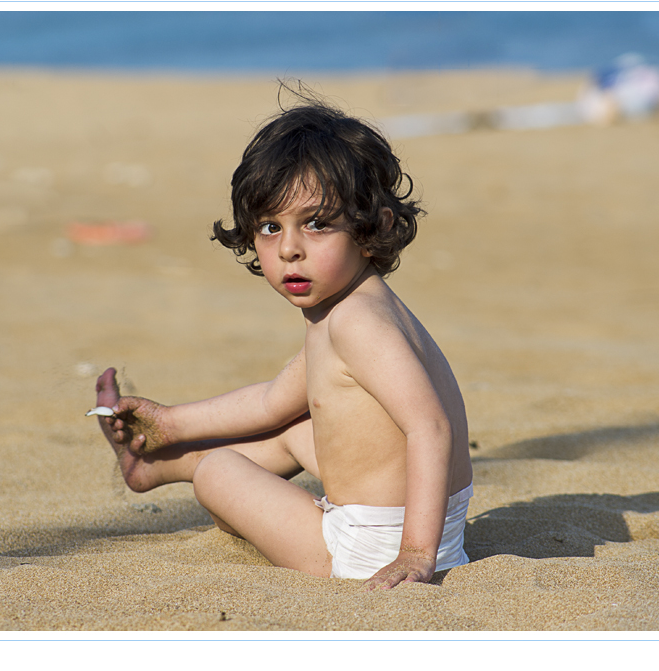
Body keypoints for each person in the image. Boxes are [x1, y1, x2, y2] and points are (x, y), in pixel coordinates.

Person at [93, 88, 474, 590]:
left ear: (371, 226)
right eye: (270, 227)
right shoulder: (359, 307)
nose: (290, 249)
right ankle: (154, 463)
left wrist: (416, 554)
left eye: (316, 224)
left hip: (370, 550)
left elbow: (431, 428)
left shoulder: (357, 324)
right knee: (297, 430)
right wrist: (169, 421)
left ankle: (180, 468)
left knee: (219, 470)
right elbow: (274, 402)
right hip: (415, 524)